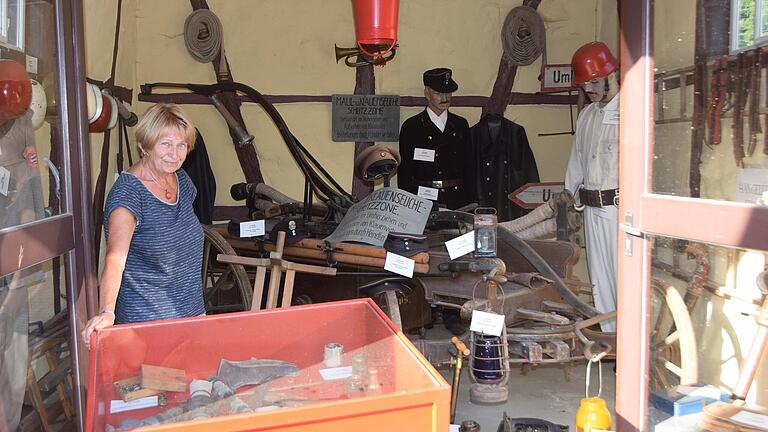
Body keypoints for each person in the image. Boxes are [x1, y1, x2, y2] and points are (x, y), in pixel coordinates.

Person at [82, 103, 205, 348]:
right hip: (149, 323)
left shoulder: (181, 179)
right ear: (145, 146)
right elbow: (115, 259)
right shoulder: (128, 195)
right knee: (159, 386)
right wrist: (107, 312)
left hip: (191, 312)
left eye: (181, 145)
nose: (175, 153)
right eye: (165, 144)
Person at [564, 41, 620, 332]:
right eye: (585, 85)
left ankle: (629, 343)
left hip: (619, 211)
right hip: (591, 209)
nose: (591, 90)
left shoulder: (629, 112)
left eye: (595, 82)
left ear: (612, 75)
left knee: (623, 278)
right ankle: (611, 343)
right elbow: (577, 162)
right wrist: (568, 196)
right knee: (600, 281)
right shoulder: (587, 116)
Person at [397, 67, 474, 210]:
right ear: (427, 94)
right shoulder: (412, 127)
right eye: (438, 93)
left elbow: (469, 167)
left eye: (448, 92)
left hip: (457, 201)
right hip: (423, 202)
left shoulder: (460, 125)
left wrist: (471, 202)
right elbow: (405, 173)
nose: (445, 98)